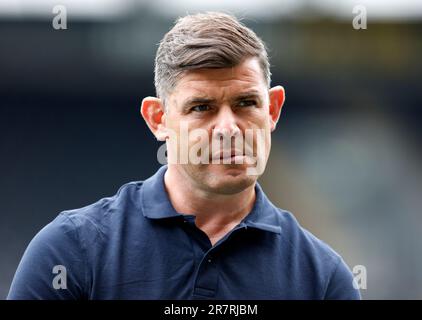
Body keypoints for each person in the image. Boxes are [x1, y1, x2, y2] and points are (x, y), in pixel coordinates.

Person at [8, 12, 360, 300]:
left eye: (246, 103)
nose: (228, 128)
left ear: (273, 109)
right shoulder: (70, 253)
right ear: (158, 119)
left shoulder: (323, 280)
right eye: (202, 107)